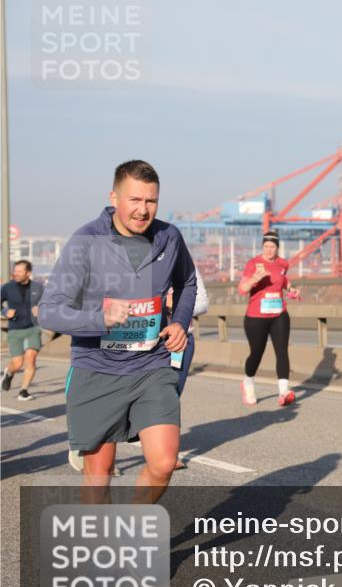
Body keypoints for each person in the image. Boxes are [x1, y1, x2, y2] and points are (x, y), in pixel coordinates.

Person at [39, 160, 196, 503]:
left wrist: (179, 322)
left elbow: (187, 281)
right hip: (97, 369)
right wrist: (100, 317)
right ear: (114, 197)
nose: (143, 210)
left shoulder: (169, 237)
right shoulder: (86, 241)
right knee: (99, 479)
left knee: (165, 461)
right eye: (135, 200)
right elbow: (49, 312)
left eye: (151, 201)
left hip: (151, 365)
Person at [67, 268, 208, 473]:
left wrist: (175, 306)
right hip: (132, 341)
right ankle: (92, 445)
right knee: (116, 402)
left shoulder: (187, 265)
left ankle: (161, 455)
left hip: (175, 341)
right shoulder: (122, 263)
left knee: (169, 394)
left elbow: (202, 302)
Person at [239, 230, 300, 406]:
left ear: (277, 248)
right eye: (266, 246)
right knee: (256, 353)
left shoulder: (283, 264)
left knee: (282, 351)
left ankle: (283, 392)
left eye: (272, 247)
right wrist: (254, 280)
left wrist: (291, 288)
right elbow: (242, 289)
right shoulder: (253, 263)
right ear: (262, 246)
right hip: (256, 317)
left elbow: (283, 279)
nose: (269, 250)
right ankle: (248, 383)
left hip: (279, 315)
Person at [1, 260, 46, 400]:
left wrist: (42, 309)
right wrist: (5, 311)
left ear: (28, 273)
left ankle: (23, 391)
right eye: (15, 271)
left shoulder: (38, 287)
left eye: (19, 271)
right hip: (15, 329)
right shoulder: (7, 287)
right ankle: (9, 373)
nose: (16, 273)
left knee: (31, 358)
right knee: (18, 362)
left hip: (33, 327)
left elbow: (49, 303)